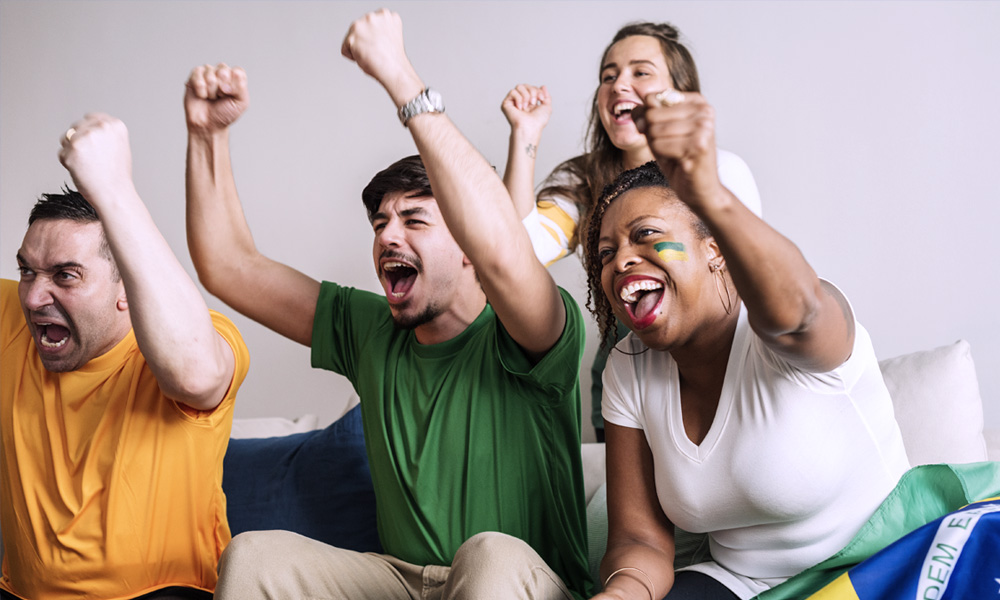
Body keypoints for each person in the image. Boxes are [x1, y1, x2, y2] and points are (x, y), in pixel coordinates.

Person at [184, 10, 591, 600]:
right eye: (380, 222)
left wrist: (399, 75)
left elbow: (506, 250)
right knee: (254, 557)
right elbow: (229, 265)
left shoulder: (531, 332)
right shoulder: (369, 329)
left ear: (470, 246)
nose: (386, 237)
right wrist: (206, 136)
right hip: (401, 582)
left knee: (491, 553)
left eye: (414, 220)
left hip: (520, 581)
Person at [582, 87, 909, 600]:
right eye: (606, 253)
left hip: (882, 567)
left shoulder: (785, 330)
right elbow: (638, 538)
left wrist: (708, 191)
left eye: (645, 235)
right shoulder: (628, 370)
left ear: (714, 249)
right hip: (745, 584)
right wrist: (622, 593)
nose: (620, 261)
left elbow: (799, 311)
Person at [0, 114, 250, 599]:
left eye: (66, 275)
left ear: (127, 289)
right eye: (28, 272)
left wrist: (112, 187)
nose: (33, 298)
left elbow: (196, 376)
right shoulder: (13, 320)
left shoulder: (202, 337)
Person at [501, 22, 762, 441]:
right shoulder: (583, 181)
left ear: (680, 92)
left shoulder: (721, 174)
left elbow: (754, 277)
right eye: (608, 75)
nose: (619, 84)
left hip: (727, 384)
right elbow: (517, 251)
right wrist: (524, 135)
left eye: (641, 72)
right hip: (627, 396)